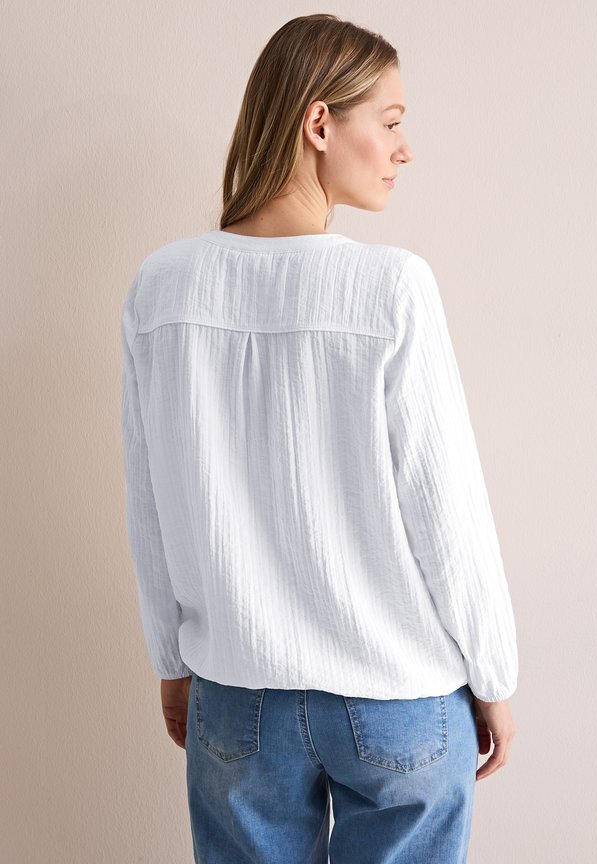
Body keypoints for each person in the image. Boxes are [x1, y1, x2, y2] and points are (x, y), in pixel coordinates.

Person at [120, 13, 518, 864]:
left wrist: (172, 660)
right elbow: (444, 507)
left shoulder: (160, 287)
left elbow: (149, 502)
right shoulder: (391, 286)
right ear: (319, 123)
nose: (405, 149)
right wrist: (494, 675)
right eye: (392, 121)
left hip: (237, 695)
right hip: (398, 694)